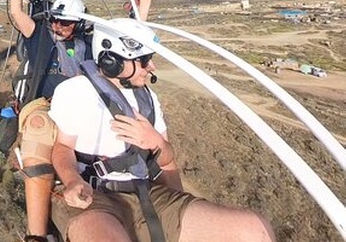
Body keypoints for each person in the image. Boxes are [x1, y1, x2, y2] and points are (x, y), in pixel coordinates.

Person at [48, 18, 274, 242]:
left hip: (148, 194)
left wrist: (155, 141)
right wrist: (72, 180)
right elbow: (62, 147)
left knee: (255, 230)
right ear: (111, 61)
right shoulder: (75, 91)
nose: (152, 67)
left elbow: (167, 157)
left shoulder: (148, 97)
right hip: (94, 197)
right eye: (144, 60)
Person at [7, 0, 154, 241]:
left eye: (67, 23)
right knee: (39, 127)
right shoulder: (39, 36)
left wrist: (143, 2)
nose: (59, 26)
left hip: (87, 100)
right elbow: (16, 12)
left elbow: (127, 43)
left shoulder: (89, 43)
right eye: (57, 20)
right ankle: (37, 234)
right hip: (47, 105)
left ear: (78, 25)